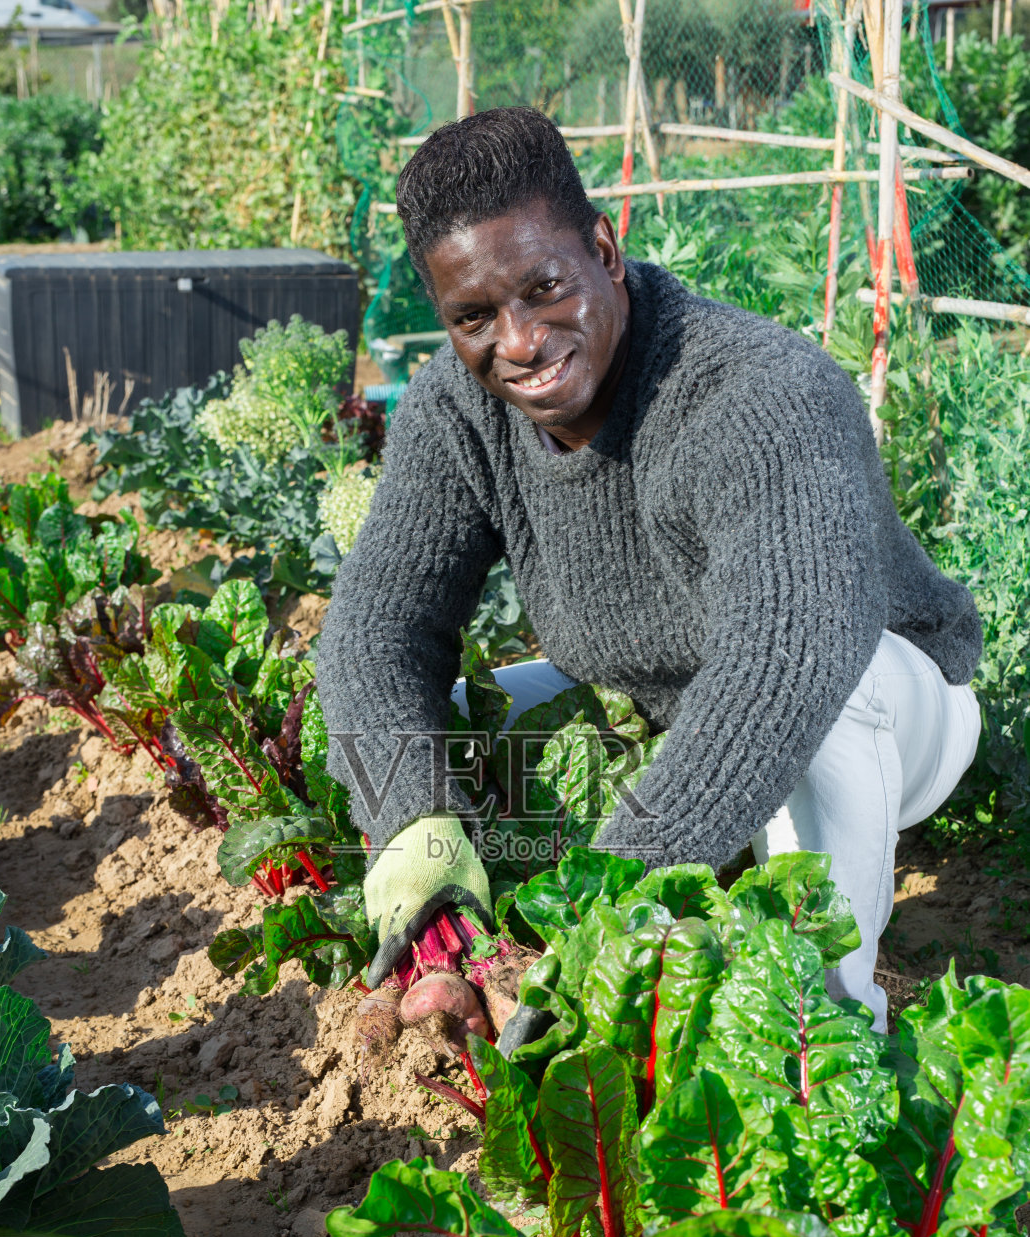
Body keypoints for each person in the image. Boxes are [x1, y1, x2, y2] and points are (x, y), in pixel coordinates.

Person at [315, 105, 981, 1031]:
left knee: (836, 686)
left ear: (603, 249)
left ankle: (822, 1030)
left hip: (889, 711)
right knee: (435, 726)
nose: (517, 341)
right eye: (473, 317)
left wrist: (611, 899)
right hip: (655, 710)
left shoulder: (756, 392)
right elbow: (375, 632)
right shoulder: (456, 412)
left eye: (543, 288)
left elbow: (782, 660)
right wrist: (413, 820)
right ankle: (488, 965)